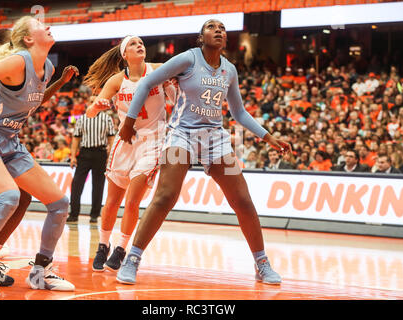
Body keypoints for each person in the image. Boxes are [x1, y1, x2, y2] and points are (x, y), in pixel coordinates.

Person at [115, 19, 291, 285]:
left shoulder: (229, 70)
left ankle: (262, 263)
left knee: (243, 200)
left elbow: (239, 113)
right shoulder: (188, 59)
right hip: (181, 134)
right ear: (201, 37)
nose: (218, 30)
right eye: (211, 27)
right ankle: (133, 259)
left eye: (222, 27)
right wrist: (128, 123)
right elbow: (146, 82)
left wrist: (268, 137)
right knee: (165, 197)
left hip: (214, 138)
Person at [0, 16, 76, 299]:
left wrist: (61, 82)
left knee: (60, 203)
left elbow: (33, 103)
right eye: (40, 25)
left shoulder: (48, 67)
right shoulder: (15, 62)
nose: (48, 25)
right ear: (28, 38)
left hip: (10, 141)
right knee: (10, 196)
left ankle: (41, 271)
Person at [82, 35, 177, 272]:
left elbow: (178, 92)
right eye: (134, 44)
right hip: (125, 142)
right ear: (125, 54)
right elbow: (90, 114)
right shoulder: (116, 81)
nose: (140, 45)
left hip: (152, 141)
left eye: (142, 43)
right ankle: (103, 245)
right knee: (112, 201)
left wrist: (172, 86)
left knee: (133, 200)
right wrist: (98, 105)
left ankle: (122, 248)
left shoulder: (157, 70)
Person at [66, 96, 116, 224]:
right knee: (76, 184)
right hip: (84, 153)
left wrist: (110, 156)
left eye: (96, 101)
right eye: (91, 101)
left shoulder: (107, 119)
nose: (93, 103)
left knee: (98, 185)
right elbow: (76, 138)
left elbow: (111, 138)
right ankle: (74, 214)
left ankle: (94, 214)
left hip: (100, 153)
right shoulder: (81, 119)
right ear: (87, 103)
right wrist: (72, 156)